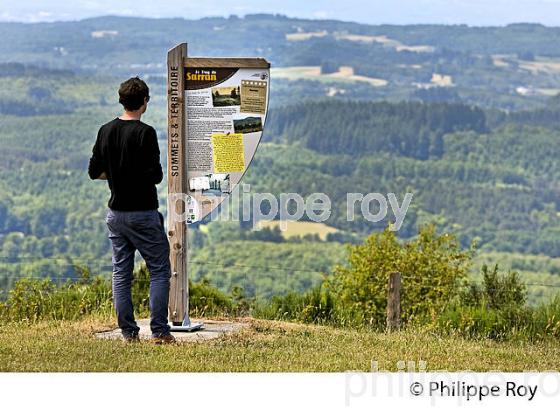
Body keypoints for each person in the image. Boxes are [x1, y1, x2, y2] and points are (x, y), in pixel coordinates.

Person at [88, 77, 175, 344]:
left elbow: (94, 172)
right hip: (143, 212)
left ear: (121, 100)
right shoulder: (145, 132)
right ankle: (159, 331)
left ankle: (128, 333)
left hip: (116, 214)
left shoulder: (105, 130)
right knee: (159, 270)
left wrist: (117, 175)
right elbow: (157, 176)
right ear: (145, 102)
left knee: (121, 272)